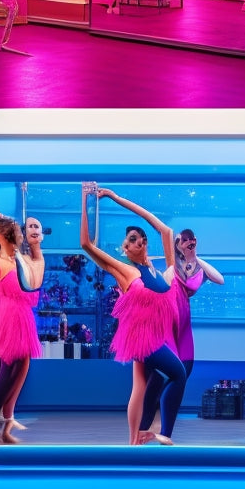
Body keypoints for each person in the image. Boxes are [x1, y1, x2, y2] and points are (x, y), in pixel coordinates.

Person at [80, 183, 186, 445]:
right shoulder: (126, 271)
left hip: (154, 338)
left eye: (136, 237)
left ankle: (134, 441)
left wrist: (115, 197)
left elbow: (163, 228)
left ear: (144, 243)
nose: (132, 242)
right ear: (126, 250)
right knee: (178, 373)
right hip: (141, 340)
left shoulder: (161, 272)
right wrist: (85, 200)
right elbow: (85, 243)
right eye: (127, 241)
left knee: (141, 387)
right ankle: (163, 433)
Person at [139, 228, 223, 433]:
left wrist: (194, 257)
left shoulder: (198, 269)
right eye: (184, 240)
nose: (189, 242)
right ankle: (142, 428)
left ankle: (165, 432)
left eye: (192, 239)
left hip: (184, 325)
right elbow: (164, 284)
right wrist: (178, 254)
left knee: (183, 374)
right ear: (177, 245)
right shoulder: (172, 268)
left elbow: (220, 279)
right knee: (157, 380)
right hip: (166, 324)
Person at [0, 213, 44, 444]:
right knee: (7, 370)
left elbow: (34, 285)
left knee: (18, 371)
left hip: (22, 318)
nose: (24, 231)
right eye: (21, 228)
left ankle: (6, 425)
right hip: (7, 318)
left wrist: (35, 247)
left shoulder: (22, 259)